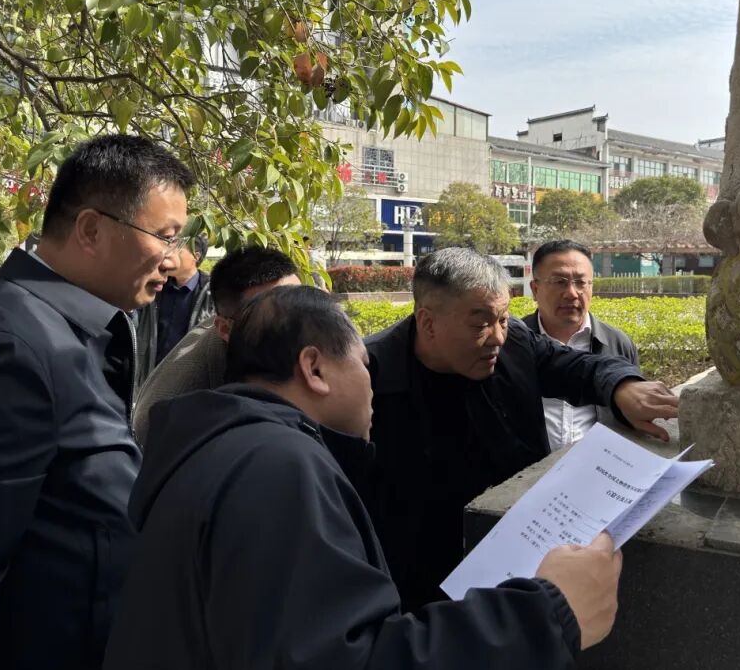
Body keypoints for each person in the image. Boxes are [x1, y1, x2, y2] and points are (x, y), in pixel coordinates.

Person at [104, 286, 622, 669]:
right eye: (360, 363)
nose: (372, 381)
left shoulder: (216, 450)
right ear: (314, 369)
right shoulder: (279, 468)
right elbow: (341, 657)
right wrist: (546, 613)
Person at [0, 135, 193, 670]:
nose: (173, 261)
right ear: (91, 229)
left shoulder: (81, 329)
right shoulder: (1, 348)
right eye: (164, 238)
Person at [366, 247, 679, 610]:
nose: (498, 337)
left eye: (503, 318)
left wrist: (622, 387)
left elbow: (578, 367)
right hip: (421, 584)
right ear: (428, 322)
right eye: (480, 324)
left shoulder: (515, 340)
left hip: (522, 555)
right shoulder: (371, 374)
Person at [132, 246, 301, 447]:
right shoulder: (179, 403)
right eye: (276, 318)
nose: (302, 321)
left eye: (301, 301)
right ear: (225, 329)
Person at [526, 240, 641, 451]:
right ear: (535, 289)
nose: (571, 293)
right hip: (530, 469)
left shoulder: (617, 344)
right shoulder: (513, 343)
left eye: (581, 282)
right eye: (559, 281)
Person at [134, 234, 212, 383]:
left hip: (188, 381)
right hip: (150, 377)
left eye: (178, 250)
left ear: (196, 256)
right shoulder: (155, 286)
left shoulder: (211, 292)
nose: (169, 256)